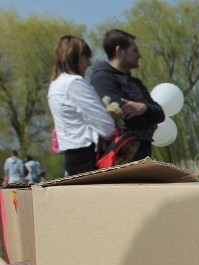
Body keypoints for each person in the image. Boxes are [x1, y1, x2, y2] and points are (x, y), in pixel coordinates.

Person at [90, 29, 165, 162]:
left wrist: (143, 108)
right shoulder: (102, 78)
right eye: (134, 50)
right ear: (119, 50)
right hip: (120, 154)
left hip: (142, 150)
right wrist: (149, 120)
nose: (139, 55)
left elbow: (160, 114)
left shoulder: (135, 82)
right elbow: (122, 116)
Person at [47, 36, 117, 176]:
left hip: (72, 156)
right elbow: (106, 126)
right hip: (87, 157)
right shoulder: (75, 83)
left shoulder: (55, 85)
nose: (89, 63)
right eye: (85, 58)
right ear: (73, 58)